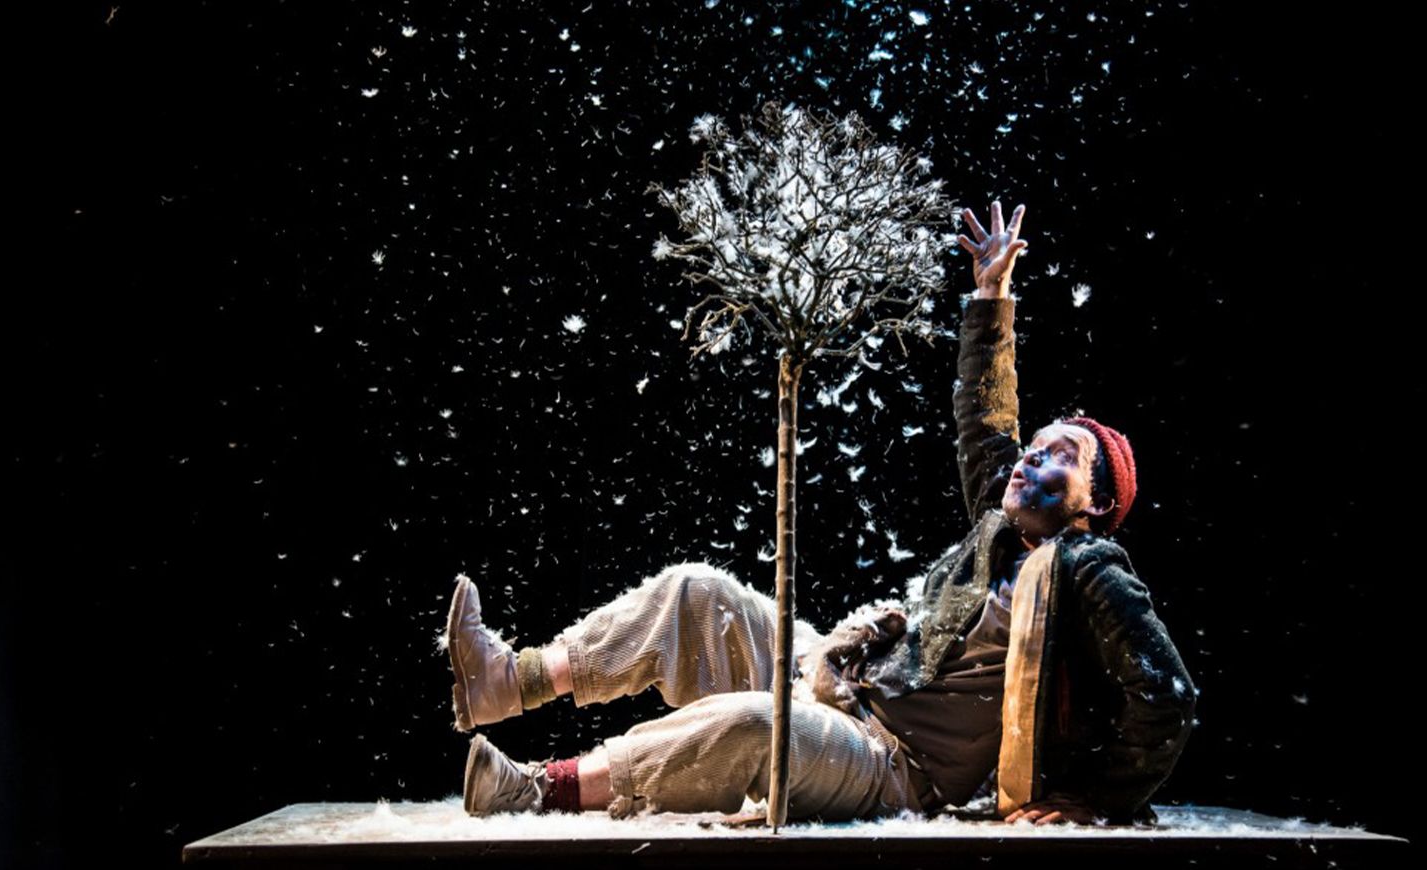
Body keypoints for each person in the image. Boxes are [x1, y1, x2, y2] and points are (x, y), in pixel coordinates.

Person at [446, 202, 1195, 824]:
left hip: (894, 765)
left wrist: (1099, 803)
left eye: (1060, 454)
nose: (1030, 456)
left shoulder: (1087, 571)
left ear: (1095, 502)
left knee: (755, 724)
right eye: (1035, 446)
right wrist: (991, 298)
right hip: (839, 675)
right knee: (698, 594)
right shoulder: (999, 530)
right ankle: (512, 680)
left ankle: (538, 789)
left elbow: (1167, 695)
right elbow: (985, 423)